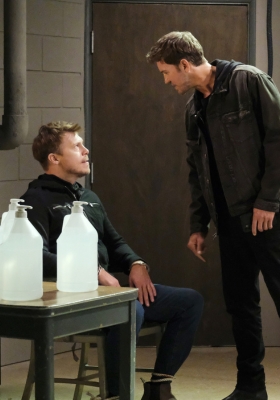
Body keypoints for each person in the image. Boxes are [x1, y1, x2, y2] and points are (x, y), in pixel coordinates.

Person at [146, 32, 280, 400]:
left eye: (166, 72)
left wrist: (267, 201)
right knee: (241, 306)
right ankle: (250, 387)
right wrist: (198, 225)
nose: (166, 81)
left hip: (269, 214)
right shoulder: (193, 110)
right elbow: (197, 171)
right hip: (229, 220)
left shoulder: (248, 81)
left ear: (185, 64)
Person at [21, 121, 204, 400]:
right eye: (77, 146)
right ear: (54, 158)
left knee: (189, 301)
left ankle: (159, 387)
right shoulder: (35, 199)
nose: (86, 150)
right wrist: (94, 271)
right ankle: (115, 396)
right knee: (131, 310)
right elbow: (36, 256)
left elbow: (115, 243)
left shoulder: (89, 197)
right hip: (67, 298)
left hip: (105, 294)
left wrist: (136, 264)